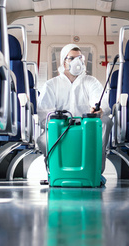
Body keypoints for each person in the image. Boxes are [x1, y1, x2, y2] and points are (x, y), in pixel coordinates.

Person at [37, 43, 113, 171]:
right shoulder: (51, 85)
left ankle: (95, 172)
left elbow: (100, 101)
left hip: (87, 128)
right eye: (71, 58)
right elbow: (44, 114)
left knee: (105, 122)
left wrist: (98, 110)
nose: (76, 62)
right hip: (59, 129)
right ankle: (55, 172)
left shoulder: (91, 81)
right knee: (44, 140)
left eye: (79, 58)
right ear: (63, 62)